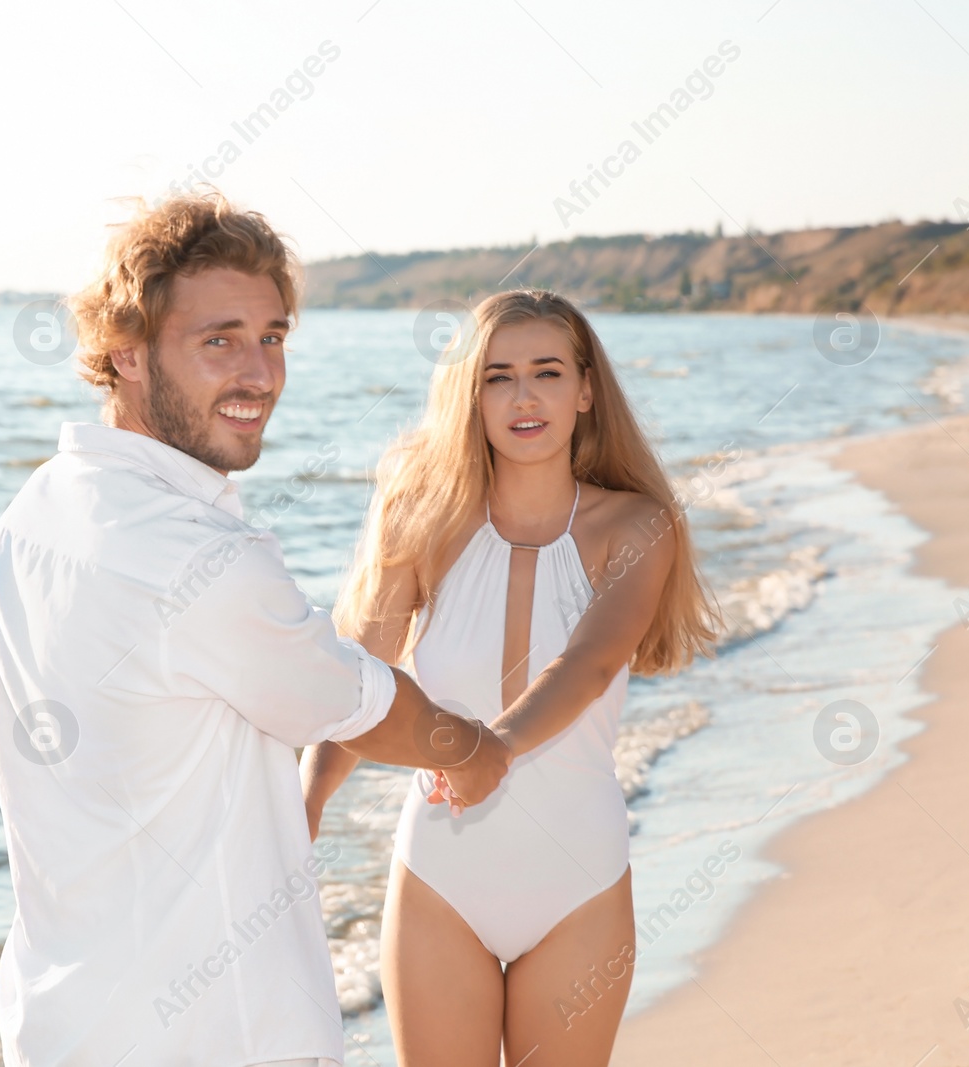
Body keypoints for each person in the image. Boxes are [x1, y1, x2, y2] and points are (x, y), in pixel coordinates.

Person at [0, 192, 512, 1067]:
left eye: (273, 337)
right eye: (218, 339)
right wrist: (473, 750)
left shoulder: (34, 513)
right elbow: (356, 703)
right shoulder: (199, 554)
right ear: (128, 353)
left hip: (64, 1026)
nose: (260, 373)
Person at [302, 290, 720, 1067]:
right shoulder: (421, 518)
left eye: (547, 372)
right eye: (498, 376)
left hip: (578, 882)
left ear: (586, 389)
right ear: (471, 393)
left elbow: (592, 662)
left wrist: (488, 749)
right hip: (440, 877)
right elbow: (360, 680)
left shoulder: (635, 525)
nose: (524, 397)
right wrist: (305, 802)